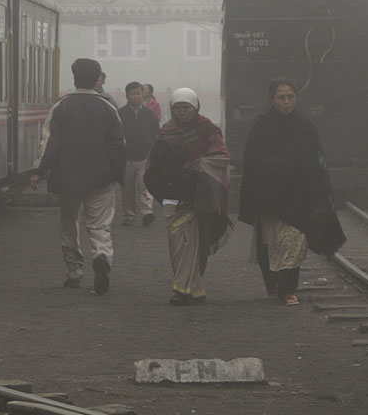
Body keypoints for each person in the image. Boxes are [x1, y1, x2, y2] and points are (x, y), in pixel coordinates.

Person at [238, 78, 346, 306]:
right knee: (269, 244)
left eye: (291, 97)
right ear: (272, 100)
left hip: (298, 198)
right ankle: (273, 285)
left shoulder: (305, 127)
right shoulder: (262, 127)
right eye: (281, 97)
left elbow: (316, 160)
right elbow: (252, 162)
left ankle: (287, 288)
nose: (287, 102)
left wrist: (319, 191)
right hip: (268, 199)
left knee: (294, 241)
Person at [30, 58, 126, 294]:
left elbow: (49, 143)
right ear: (97, 80)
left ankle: (74, 271)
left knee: (68, 223)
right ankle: (101, 255)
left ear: (74, 79)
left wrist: (38, 172)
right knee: (100, 224)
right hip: (100, 176)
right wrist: (116, 173)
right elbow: (118, 145)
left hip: (67, 176)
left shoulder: (61, 107)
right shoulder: (108, 108)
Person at [144, 88, 232, 306]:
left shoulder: (208, 131)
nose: (182, 113)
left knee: (194, 242)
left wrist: (197, 167)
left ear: (196, 108)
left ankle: (182, 288)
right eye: (178, 108)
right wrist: (162, 190)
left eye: (186, 108)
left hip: (198, 197)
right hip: (172, 196)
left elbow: (220, 157)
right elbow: (153, 165)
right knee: (177, 243)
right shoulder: (166, 132)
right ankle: (196, 288)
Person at [118, 81, 160, 226]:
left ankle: (147, 212)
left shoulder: (149, 114)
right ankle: (129, 214)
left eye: (139, 93)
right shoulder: (121, 114)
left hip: (145, 156)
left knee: (145, 185)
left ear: (143, 94)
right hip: (127, 157)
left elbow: (156, 133)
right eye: (133, 94)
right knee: (127, 187)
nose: (136, 96)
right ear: (127, 96)